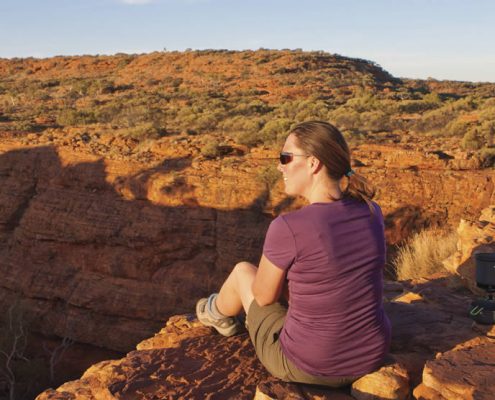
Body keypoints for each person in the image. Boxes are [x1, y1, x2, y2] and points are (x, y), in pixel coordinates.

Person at [196, 120, 391, 387]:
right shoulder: (371, 210)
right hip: (370, 356)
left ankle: (213, 312)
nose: (280, 166)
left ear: (313, 163)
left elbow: (264, 297)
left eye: (285, 157)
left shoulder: (289, 226)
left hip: (310, 365)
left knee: (243, 272)